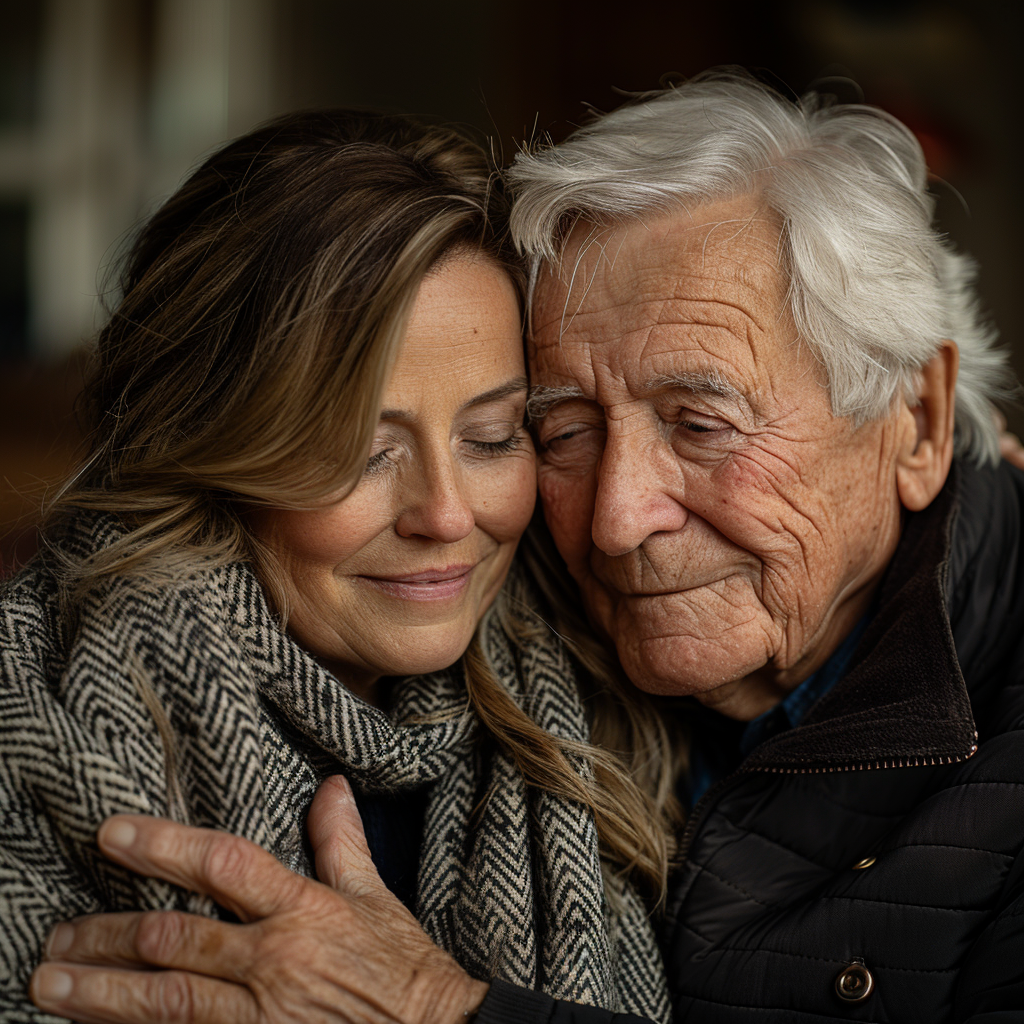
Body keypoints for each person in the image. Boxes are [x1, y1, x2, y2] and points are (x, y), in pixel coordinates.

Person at [26, 71, 1024, 1024]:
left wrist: (440, 1007)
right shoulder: (510, 644)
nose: (615, 518)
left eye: (700, 421)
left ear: (921, 423)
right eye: (559, 431)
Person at [2, 110, 680, 1024]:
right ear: (207, 443)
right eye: (362, 452)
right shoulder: (34, 717)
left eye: (491, 437)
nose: (446, 514)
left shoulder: (614, 704)